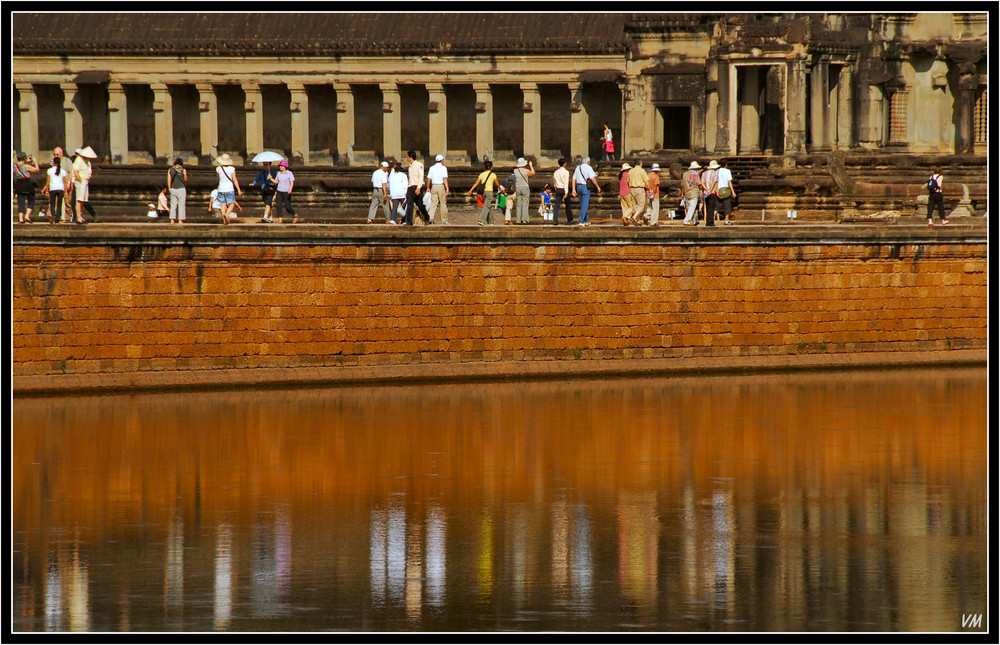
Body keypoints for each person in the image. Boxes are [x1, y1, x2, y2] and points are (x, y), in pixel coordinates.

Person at [467, 160, 502, 226]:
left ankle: (491, 221)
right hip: (489, 192)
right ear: (491, 167)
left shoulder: (482, 174)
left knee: (487, 205)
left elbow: (476, 183)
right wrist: (500, 189)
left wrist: (471, 190)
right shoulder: (493, 174)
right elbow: (497, 183)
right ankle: (481, 220)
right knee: (486, 206)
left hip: (483, 193)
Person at [71, 146, 99, 224]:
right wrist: (80, 180)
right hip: (81, 180)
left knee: (83, 200)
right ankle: (78, 218)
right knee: (79, 200)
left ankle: (79, 215)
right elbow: (75, 171)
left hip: (85, 180)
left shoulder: (87, 162)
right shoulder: (79, 160)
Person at [41, 155, 69, 226]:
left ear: (54, 163)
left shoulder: (50, 170)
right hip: (60, 188)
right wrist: (66, 192)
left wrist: (47, 190)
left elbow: (48, 182)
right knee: (59, 204)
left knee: (52, 204)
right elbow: (64, 182)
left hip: (53, 188)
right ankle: (57, 219)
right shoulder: (63, 171)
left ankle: (53, 215)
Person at [572, 156, 600, 226]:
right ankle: (581, 220)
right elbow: (593, 179)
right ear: (588, 162)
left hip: (578, 186)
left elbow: (573, 178)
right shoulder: (588, 167)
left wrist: (573, 189)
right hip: (585, 187)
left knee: (583, 204)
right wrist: (598, 187)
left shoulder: (578, 167)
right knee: (585, 205)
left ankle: (586, 220)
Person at [404, 150, 430, 226]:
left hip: (417, 186)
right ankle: (409, 221)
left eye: (407, 157)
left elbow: (421, 176)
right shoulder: (410, 167)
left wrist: (418, 187)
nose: (407, 158)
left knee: (420, 204)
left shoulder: (419, 165)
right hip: (410, 187)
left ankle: (427, 217)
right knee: (409, 204)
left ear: (410, 157)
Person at [13, 151, 40, 223]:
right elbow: (37, 169)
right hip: (26, 183)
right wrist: (35, 162)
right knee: (31, 199)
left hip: (19, 184)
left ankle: (21, 218)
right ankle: (27, 216)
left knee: (20, 201)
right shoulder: (26, 166)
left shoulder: (15, 166)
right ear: (24, 158)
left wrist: (26, 161)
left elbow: (19, 166)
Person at [215, 153, 241, 225]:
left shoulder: (218, 169)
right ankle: (227, 214)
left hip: (221, 188)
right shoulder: (232, 169)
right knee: (232, 203)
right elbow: (234, 180)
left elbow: (219, 178)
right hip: (229, 188)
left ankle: (224, 219)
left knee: (223, 204)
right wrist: (238, 189)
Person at [426, 154, 450, 225]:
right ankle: (444, 220)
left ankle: (430, 218)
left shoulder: (432, 168)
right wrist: (447, 188)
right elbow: (444, 178)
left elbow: (429, 179)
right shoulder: (443, 168)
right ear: (442, 160)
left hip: (434, 186)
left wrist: (428, 187)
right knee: (443, 203)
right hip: (440, 186)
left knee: (433, 203)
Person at [626, 159, 649, 225]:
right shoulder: (641, 171)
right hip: (639, 188)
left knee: (635, 205)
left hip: (632, 189)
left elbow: (627, 181)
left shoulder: (631, 171)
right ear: (640, 164)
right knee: (641, 205)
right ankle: (634, 217)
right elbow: (646, 181)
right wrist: (649, 188)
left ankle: (637, 220)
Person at [513, 157, 535, 225]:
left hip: (518, 187)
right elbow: (533, 173)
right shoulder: (526, 170)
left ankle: (518, 220)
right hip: (525, 187)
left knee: (518, 204)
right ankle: (524, 219)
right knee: (525, 204)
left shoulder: (515, 171)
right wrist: (531, 165)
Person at [167, 157, 188, 225]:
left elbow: (169, 180)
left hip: (173, 189)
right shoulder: (183, 170)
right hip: (181, 189)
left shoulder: (170, 170)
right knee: (181, 205)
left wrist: (169, 188)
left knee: (173, 205)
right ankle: (180, 220)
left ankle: (172, 220)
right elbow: (185, 180)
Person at [551, 157, 572, 225]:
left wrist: (555, 187)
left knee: (557, 205)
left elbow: (555, 181)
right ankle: (569, 219)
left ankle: (555, 219)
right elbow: (566, 182)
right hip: (563, 189)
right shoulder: (566, 172)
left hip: (558, 189)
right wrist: (566, 192)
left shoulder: (556, 172)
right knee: (567, 205)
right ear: (564, 164)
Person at [388, 161, 409, 225]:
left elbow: (389, 184)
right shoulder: (403, 175)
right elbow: (405, 185)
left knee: (394, 207)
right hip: (402, 194)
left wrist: (391, 193)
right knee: (404, 208)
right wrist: (406, 192)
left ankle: (393, 219)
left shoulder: (392, 176)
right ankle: (404, 220)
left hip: (394, 194)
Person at [681, 161, 702, 226]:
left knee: (690, 207)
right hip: (693, 192)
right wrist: (701, 188)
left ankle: (696, 220)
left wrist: (682, 194)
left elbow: (682, 185)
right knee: (692, 207)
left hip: (687, 192)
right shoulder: (694, 174)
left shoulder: (685, 174)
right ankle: (686, 220)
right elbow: (698, 183)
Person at [701, 159, 720, 227]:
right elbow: (714, 182)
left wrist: (706, 189)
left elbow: (702, 183)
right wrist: (710, 190)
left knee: (707, 207)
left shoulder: (704, 173)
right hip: (712, 192)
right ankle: (710, 221)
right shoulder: (714, 173)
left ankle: (707, 221)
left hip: (706, 193)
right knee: (711, 207)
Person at [716, 159, 735, 225]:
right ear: (726, 164)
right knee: (727, 205)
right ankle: (726, 220)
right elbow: (729, 181)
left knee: (717, 206)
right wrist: (733, 191)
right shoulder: (727, 171)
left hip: (719, 190)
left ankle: (712, 218)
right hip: (726, 190)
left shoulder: (717, 171)